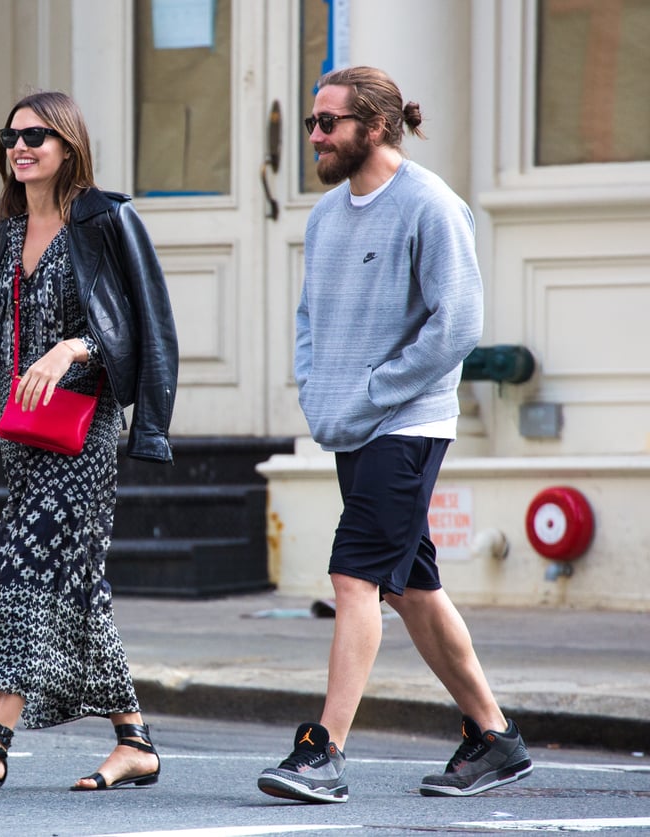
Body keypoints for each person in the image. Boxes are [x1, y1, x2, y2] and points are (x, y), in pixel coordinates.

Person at [256, 66, 533, 803]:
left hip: (406, 424)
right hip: (351, 425)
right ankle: (495, 737)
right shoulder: (325, 216)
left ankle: (324, 750)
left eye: (328, 124)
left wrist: (375, 391)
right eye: (313, 122)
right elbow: (310, 318)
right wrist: (320, 392)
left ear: (374, 127)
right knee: (412, 586)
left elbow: (458, 326)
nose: (314, 136)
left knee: (356, 576)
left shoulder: (430, 205)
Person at [0, 90, 178, 792]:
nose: (20, 147)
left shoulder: (106, 220)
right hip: (23, 438)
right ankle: (134, 739)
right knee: (78, 585)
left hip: (84, 436)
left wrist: (72, 349)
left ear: (68, 147)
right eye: (12, 136)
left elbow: (138, 327)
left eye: (37, 136)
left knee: (24, 567)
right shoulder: (1, 230)